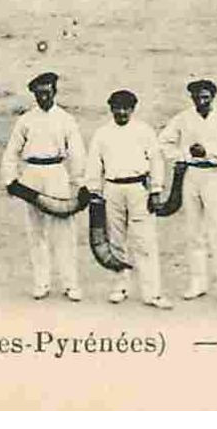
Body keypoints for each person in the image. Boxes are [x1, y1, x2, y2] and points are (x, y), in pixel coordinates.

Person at [0, 71, 86, 302]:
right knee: (36, 232)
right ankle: (41, 282)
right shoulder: (26, 120)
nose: (43, 98)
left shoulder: (66, 120)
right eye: (38, 94)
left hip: (56, 173)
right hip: (31, 175)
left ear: (54, 92)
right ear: (34, 95)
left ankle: (70, 284)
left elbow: (76, 154)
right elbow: (11, 153)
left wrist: (80, 183)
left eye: (47, 93)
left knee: (63, 230)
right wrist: (11, 180)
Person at [86, 89, 173, 309]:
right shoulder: (102, 134)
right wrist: (94, 190)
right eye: (117, 108)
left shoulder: (144, 131)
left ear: (133, 109)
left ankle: (152, 292)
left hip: (138, 189)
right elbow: (95, 163)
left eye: (126, 108)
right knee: (116, 239)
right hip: (113, 189)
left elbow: (156, 161)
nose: (122, 112)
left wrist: (155, 190)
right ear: (111, 109)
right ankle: (120, 286)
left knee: (144, 240)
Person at [158, 77, 217, 305]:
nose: (201, 101)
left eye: (206, 97)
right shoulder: (183, 118)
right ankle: (198, 283)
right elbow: (164, 142)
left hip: (215, 176)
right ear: (192, 98)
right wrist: (184, 155)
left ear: (213, 97)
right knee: (194, 232)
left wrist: (208, 152)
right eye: (197, 97)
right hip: (191, 175)